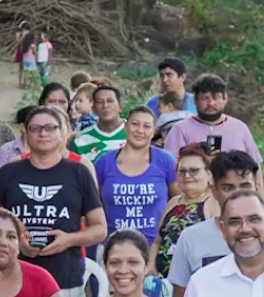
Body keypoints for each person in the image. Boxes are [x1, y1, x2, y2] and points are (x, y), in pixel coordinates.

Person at [0, 105, 108, 297]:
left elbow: (100, 229)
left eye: (50, 128)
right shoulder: (8, 173)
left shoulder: (79, 172)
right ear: (26, 133)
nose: (43, 133)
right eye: (36, 128)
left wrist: (69, 240)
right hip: (12, 279)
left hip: (64, 277)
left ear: (62, 133)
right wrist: (16, 243)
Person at [166, 150, 264, 297]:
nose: (238, 194)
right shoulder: (191, 238)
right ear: (214, 190)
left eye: (245, 186)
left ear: (256, 188)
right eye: (228, 188)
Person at [93, 106, 177, 241]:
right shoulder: (104, 162)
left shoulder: (166, 160)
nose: (140, 131)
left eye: (147, 126)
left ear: (154, 131)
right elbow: (95, 206)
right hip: (113, 245)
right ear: (125, 126)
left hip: (155, 246)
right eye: (135, 124)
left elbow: (179, 201)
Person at [160, 75, 261, 167]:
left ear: (225, 98)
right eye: (205, 98)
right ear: (195, 100)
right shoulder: (180, 130)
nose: (211, 103)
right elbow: (169, 168)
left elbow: (255, 166)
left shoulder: (240, 128)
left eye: (216, 98)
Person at [153, 144, 211, 278]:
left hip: (196, 279)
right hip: (163, 281)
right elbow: (157, 241)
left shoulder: (214, 203)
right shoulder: (173, 202)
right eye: (182, 171)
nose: (187, 175)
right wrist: (151, 265)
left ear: (208, 174)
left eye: (194, 170)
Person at [74, 85, 131, 158]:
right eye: (100, 102)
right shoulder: (82, 139)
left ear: (120, 107)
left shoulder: (135, 134)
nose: (105, 106)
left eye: (110, 101)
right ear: (93, 109)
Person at [144, 58, 198, 132]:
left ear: (183, 77)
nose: (164, 80)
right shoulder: (152, 103)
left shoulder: (196, 102)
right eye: (162, 76)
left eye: (169, 75)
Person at [12, 22, 35, 88]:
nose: (26, 31)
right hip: (20, 51)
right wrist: (23, 36)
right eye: (25, 29)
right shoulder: (18, 34)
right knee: (21, 67)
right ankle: (20, 82)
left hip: (27, 52)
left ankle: (25, 83)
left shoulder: (29, 34)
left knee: (26, 68)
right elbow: (18, 43)